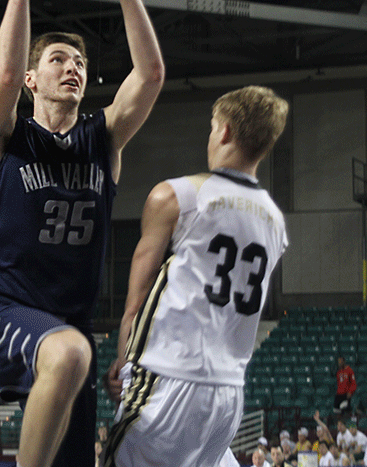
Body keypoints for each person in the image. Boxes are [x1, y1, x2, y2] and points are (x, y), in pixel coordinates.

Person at [0, 0, 165, 467]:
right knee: (71, 353)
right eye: (57, 60)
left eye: (78, 63)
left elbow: (150, 74)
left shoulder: (103, 140)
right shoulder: (8, 138)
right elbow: (1, 71)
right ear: (32, 78)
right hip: (4, 308)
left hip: (69, 324)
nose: (72, 67)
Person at [103, 87, 288, 467]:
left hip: (169, 375)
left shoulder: (177, 195)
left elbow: (137, 299)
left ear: (224, 132)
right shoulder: (275, 220)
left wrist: (123, 361)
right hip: (228, 393)